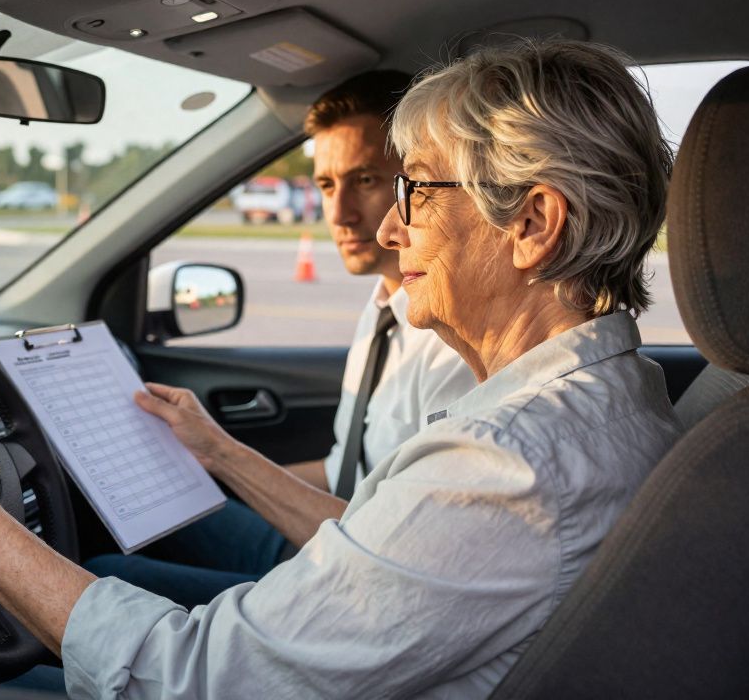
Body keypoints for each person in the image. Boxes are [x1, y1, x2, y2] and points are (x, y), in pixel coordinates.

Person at [0, 39, 683, 698]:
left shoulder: (508, 464)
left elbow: (201, 679)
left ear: (532, 224)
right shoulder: (613, 396)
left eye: (416, 192)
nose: (390, 231)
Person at [82, 71, 477, 607]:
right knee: (157, 513)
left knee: (106, 573)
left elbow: (385, 550)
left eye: (364, 180)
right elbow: (347, 466)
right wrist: (213, 469)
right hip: (323, 533)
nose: (337, 215)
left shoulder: (454, 341)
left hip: (349, 574)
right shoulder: (385, 303)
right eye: (326, 186)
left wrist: (223, 456)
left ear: (414, 183)